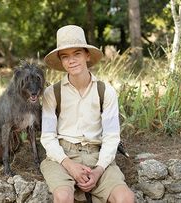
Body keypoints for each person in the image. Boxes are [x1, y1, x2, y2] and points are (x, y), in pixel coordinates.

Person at [40, 25, 134, 203]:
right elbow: (47, 137)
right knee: (63, 197)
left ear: (87, 55)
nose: (72, 60)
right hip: (62, 156)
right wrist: (69, 164)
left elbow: (112, 137)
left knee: (126, 198)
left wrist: (99, 169)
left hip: (96, 155)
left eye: (77, 54)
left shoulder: (106, 91)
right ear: (61, 61)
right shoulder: (52, 93)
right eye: (65, 56)